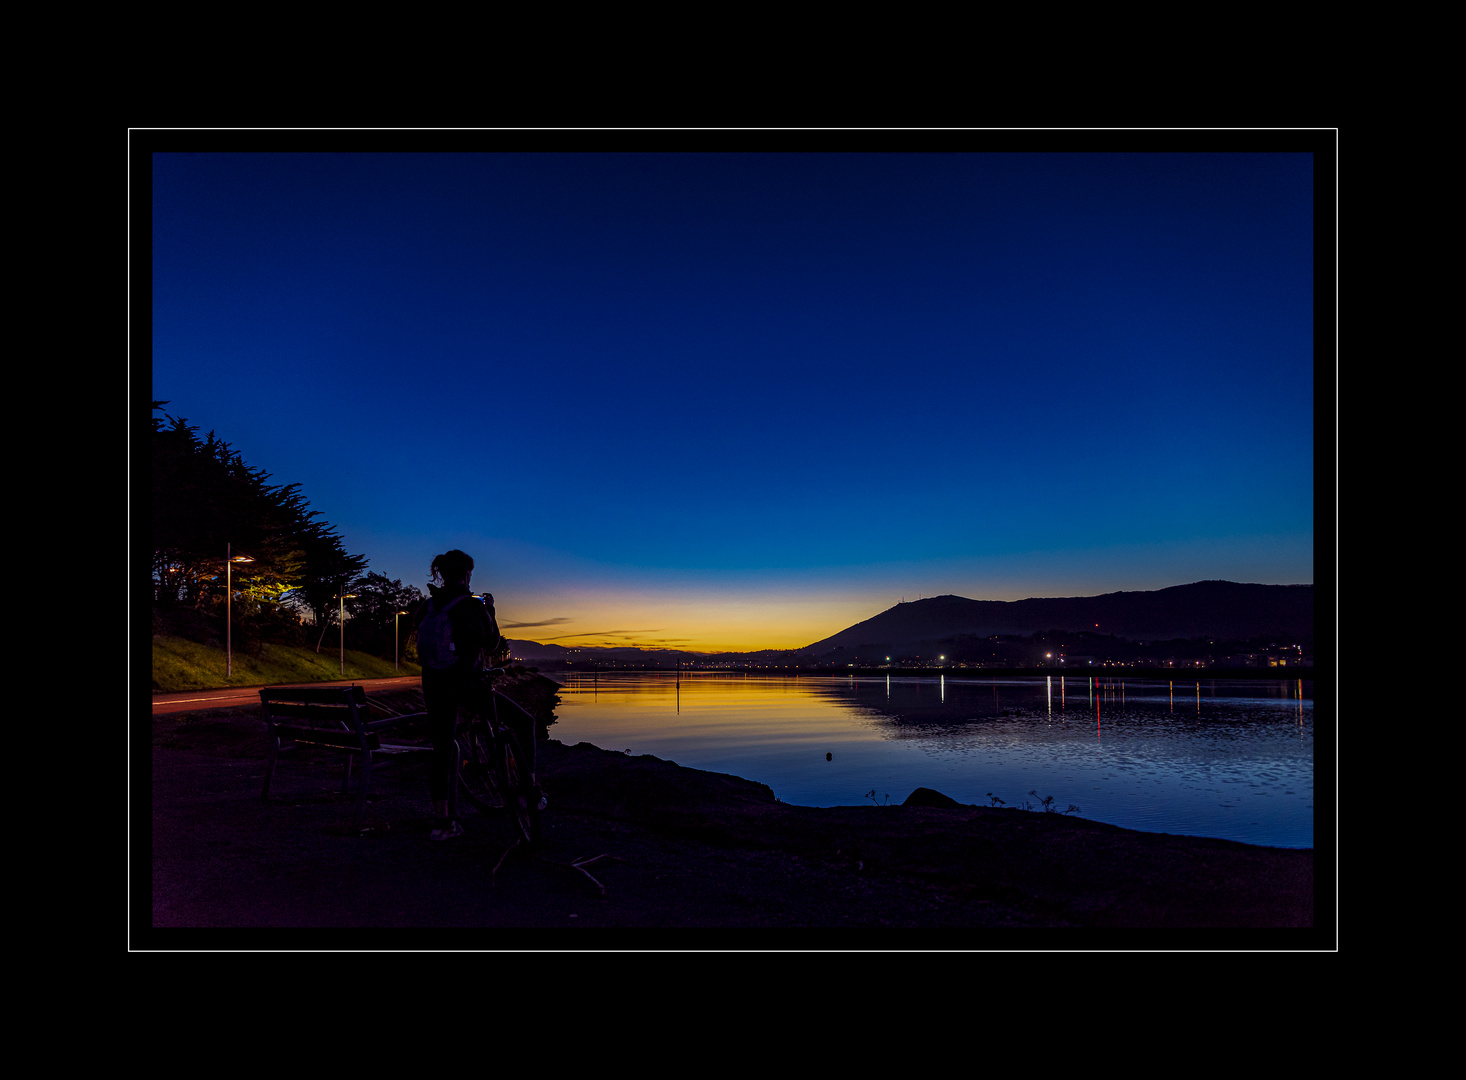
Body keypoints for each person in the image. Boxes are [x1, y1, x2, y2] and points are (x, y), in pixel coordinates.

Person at [414, 549, 499, 841]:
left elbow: (420, 636)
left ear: (442, 574)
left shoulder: (428, 606)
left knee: (442, 749)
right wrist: (490, 612)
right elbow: (491, 642)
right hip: (466, 684)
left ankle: (442, 823)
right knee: (522, 722)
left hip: (435, 685)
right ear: (466, 574)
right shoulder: (471, 605)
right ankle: (531, 794)